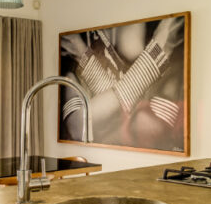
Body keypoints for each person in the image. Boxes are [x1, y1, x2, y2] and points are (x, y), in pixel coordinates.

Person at [60, 16, 185, 150]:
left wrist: (84, 59)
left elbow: (129, 117)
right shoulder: (68, 60)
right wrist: (157, 54)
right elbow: (78, 127)